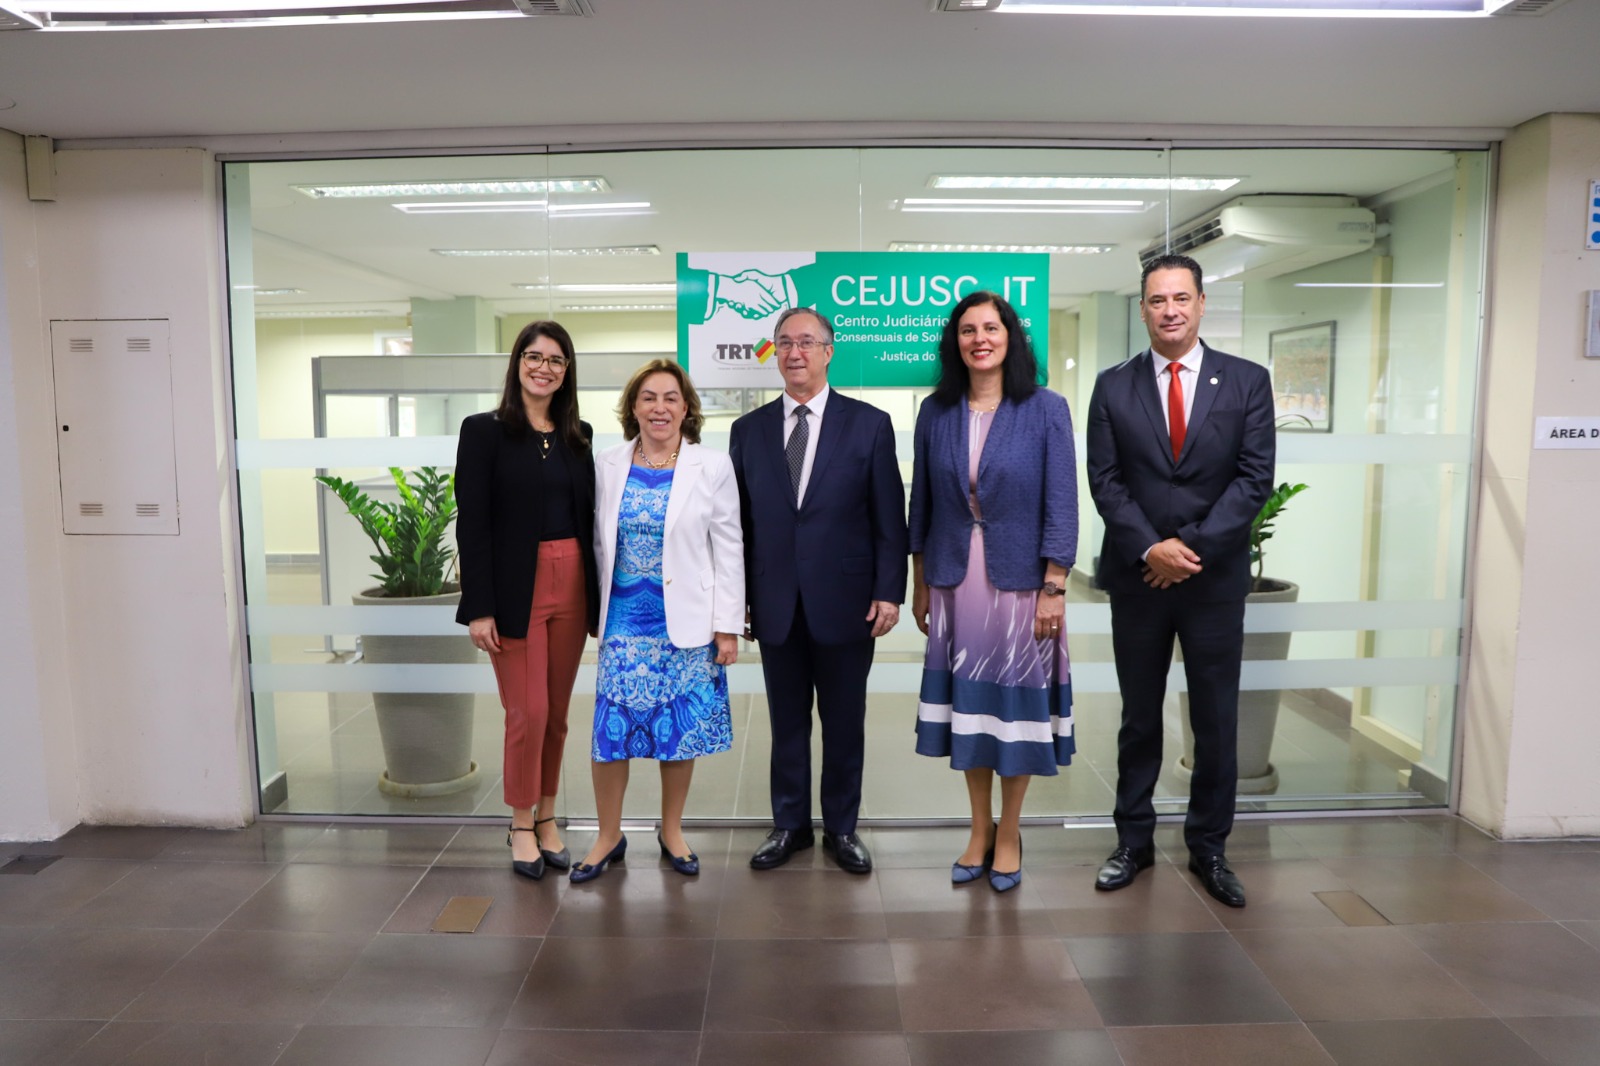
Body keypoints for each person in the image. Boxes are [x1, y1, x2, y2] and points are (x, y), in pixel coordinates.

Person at [1086, 253, 1275, 909]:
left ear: (1200, 305)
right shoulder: (1114, 386)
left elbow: (1254, 479)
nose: (1169, 310)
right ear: (1142, 309)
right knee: (1139, 718)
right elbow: (1105, 481)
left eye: (1180, 298)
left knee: (1215, 719)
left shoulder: (1247, 382)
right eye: (1157, 300)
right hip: (1139, 580)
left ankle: (1209, 848)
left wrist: (1186, 550)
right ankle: (1132, 841)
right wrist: (1149, 549)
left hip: (1212, 581)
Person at [909, 291, 1077, 893]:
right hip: (955, 582)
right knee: (969, 712)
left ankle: (1010, 832)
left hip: (1023, 585)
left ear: (1010, 336)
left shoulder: (1046, 409)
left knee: (1012, 713)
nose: (979, 339)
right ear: (955, 343)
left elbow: (1062, 503)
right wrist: (920, 581)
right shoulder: (936, 412)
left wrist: (1055, 585)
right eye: (967, 330)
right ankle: (978, 829)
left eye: (991, 328)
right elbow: (921, 506)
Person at [729, 307, 908, 875]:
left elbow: (890, 516)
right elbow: (739, 526)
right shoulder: (748, 431)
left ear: (829, 352)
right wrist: (738, 601)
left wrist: (890, 591)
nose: (795, 352)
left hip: (848, 602)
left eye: (807, 342)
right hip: (775, 602)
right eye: (784, 343)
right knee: (786, 722)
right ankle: (789, 826)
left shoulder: (869, 424)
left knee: (844, 720)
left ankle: (842, 828)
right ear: (774, 354)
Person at [574, 359, 744, 883]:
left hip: (686, 622)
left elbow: (729, 547)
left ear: (687, 408)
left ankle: (672, 831)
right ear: (633, 408)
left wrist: (728, 625)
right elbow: (596, 542)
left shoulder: (711, 466)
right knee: (611, 735)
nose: (659, 407)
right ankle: (608, 835)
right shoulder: (605, 463)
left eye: (670, 398)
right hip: (623, 622)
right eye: (648, 398)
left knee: (679, 733)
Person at [455, 320, 598, 881]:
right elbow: (474, 524)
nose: (545, 368)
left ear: (567, 372)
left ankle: (546, 816)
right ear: (517, 364)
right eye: (535, 357)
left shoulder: (577, 434)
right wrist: (480, 605)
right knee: (527, 711)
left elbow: (590, 521)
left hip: (573, 585)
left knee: (557, 715)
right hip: (516, 586)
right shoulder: (484, 431)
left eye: (557, 360)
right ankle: (519, 822)